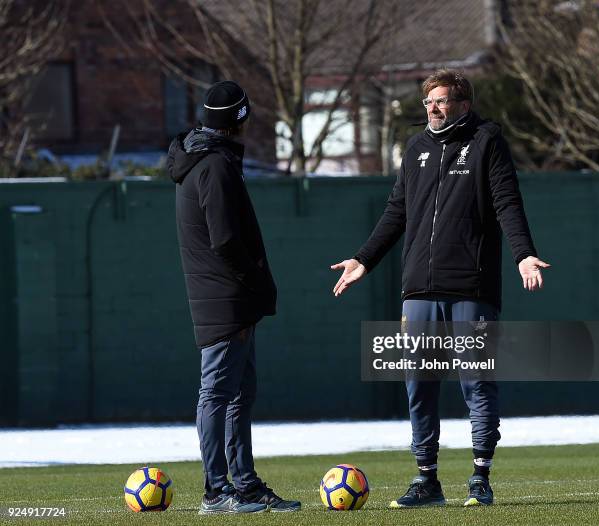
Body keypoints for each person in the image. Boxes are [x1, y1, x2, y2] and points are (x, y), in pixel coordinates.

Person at [331, 69, 550, 507]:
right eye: (428, 101)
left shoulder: (487, 141)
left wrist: (523, 253)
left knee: (476, 382)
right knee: (419, 383)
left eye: (442, 100)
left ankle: (480, 477)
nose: (432, 108)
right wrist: (364, 259)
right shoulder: (415, 149)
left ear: (463, 104)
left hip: (471, 285)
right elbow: (396, 213)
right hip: (419, 288)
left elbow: (508, 202)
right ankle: (426, 479)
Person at [167, 80, 300, 514]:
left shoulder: (208, 159)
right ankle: (216, 491)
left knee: (239, 394)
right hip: (226, 299)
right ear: (237, 121)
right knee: (217, 393)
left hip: (227, 296)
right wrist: (255, 284)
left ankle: (243, 484)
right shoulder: (214, 166)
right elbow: (225, 241)